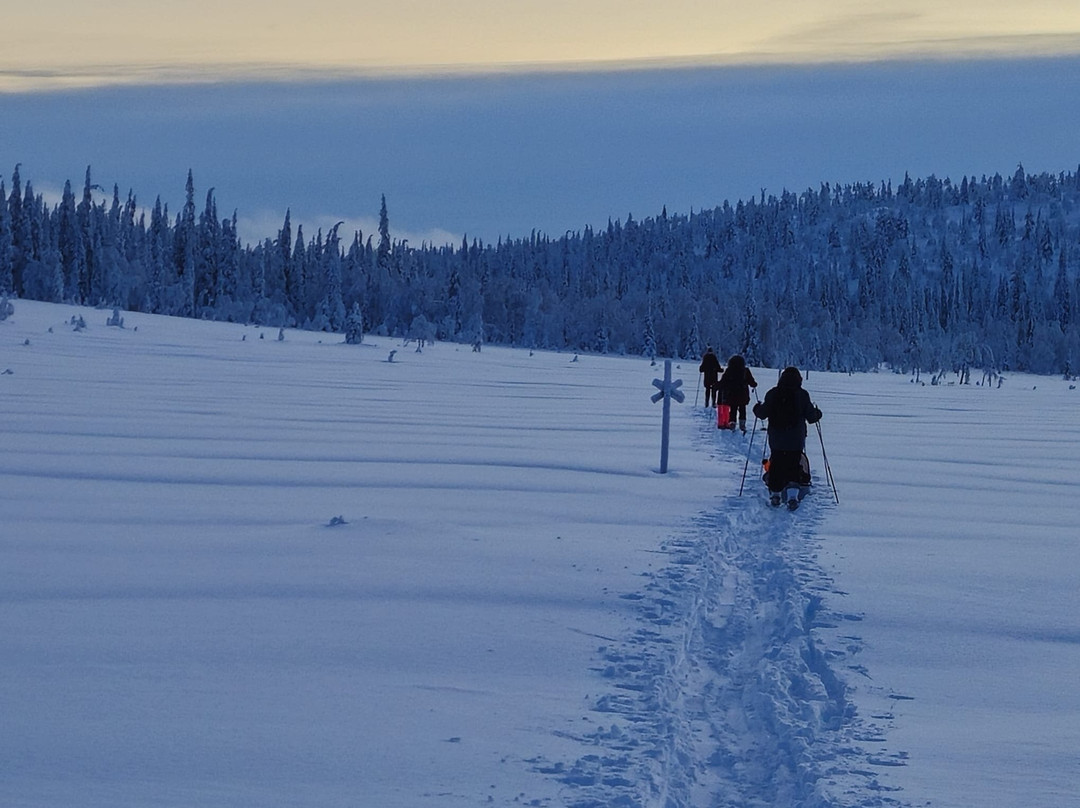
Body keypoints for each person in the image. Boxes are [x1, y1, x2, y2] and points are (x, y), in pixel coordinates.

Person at [752, 366, 822, 507]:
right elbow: (811, 417)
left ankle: (776, 494)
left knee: (777, 463)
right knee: (793, 464)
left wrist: (756, 408)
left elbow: (762, 413)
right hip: (796, 439)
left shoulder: (773, 393)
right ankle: (792, 496)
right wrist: (818, 413)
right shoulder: (802, 395)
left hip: (776, 438)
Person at [716, 354, 758, 432]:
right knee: (742, 409)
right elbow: (751, 381)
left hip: (732, 394)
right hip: (743, 395)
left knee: (733, 409)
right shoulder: (746, 371)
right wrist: (754, 384)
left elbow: (723, 382)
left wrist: (716, 386)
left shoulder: (729, 371)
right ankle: (742, 425)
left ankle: (732, 423)